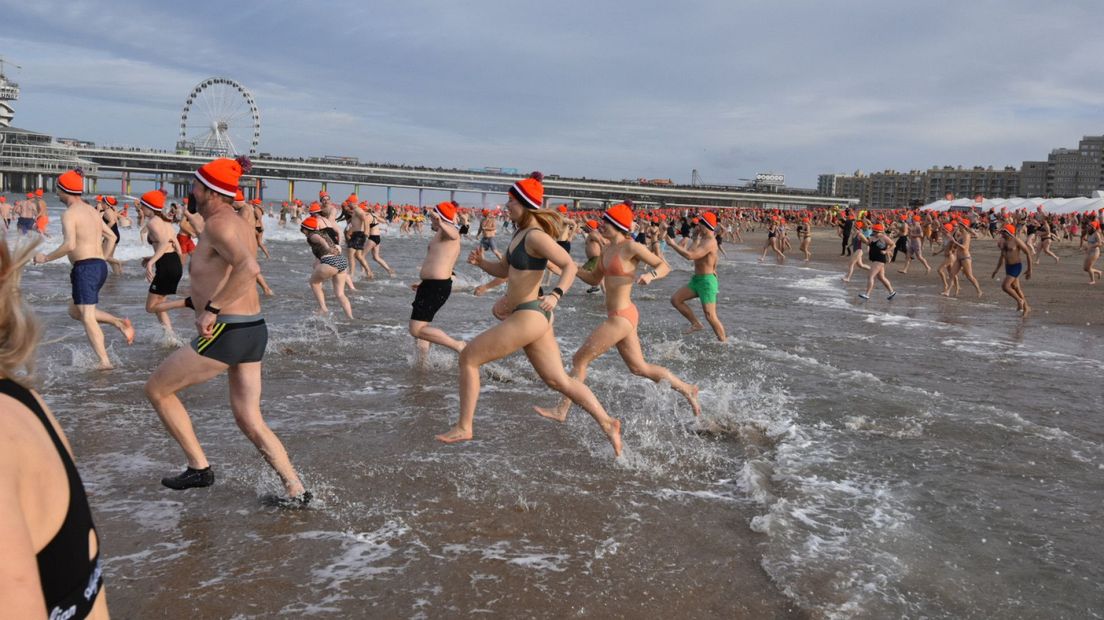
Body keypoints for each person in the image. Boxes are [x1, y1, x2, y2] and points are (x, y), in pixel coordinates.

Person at [144, 157, 310, 504]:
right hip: (252, 328)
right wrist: (193, 303)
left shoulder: (219, 225)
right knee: (250, 419)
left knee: (158, 389)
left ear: (208, 191)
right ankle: (296, 488)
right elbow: (225, 274)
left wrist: (212, 310)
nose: (191, 191)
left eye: (195, 185)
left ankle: (199, 467)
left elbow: (248, 268)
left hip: (228, 331)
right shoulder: (236, 221)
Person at [435, 172, 621, 456]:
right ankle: (608, 423)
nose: (506, 205)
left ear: (524, 204)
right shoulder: (519, 234)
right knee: (558, 380)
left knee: (469, 357)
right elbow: (505, 271)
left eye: (511, 200)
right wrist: (482, 263)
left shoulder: (536, 236)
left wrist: (556, 294)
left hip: (531, 314)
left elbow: (569, 265)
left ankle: (464, 426)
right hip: (529, 315)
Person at [0, 236, 110, 618]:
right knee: (83, 312)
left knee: (85, 312)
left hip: (87, 265)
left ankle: (105, 358)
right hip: (95, 265)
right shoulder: (21, 401)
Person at [534, 202, 700, 422]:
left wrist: (650, 276)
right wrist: (568, 270)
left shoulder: (631, 247)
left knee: (579, 360)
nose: (601, 225)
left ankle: (562, 410)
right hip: (620, 316)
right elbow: (594, 278)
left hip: (622, 316)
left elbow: (663, 266)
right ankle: (686, 388)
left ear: (618, 226)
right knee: (639, 368)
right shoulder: (606, 249)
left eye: (606, 222)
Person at [33, 170, 135, 370]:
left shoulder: (69, 214)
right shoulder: (91, 211)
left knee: (87, 316)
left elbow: (70, 245)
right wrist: (102, 259)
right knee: (74, 311)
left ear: (64, 190)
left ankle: (104, 362)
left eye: (58, 190)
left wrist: (45, 257)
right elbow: (112, 237)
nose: (57, 194)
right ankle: (118, 322)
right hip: (97, 267)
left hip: (86, 268)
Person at [409, 201, 465, 359]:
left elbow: (454, 233)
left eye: (433, 218)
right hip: (430, 285)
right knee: (422, 328)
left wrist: (441, 222)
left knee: (416, 329)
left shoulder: (449, 232)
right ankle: (422, 363)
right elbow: (437, 260)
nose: (430, 221)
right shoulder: (440, 233)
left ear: (439, 218)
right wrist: (423, 282)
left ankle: (458, 345)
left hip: (437, 286)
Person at [668, 212, 727, 342]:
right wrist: (695, 238)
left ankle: (724, 343)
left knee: (710, 315)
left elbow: (690, 256)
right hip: (697, 280)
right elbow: (690, 251)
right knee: (675, 300)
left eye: (699, 224)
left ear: (705, 225)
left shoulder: (710, 242)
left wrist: (673, 245)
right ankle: (696, 323)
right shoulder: (703, 239)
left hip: (706, 282)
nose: (697, 226)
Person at [139, 190, 184, 336]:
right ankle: (169, 336)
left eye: (142, 205)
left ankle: (186, 303)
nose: (140, 208)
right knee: (159, 306)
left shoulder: (153, 223)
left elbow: (164, 243)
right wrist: (155, 258)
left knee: (150, 307)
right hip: (173, 262)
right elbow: (176, 246)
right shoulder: (165, 221)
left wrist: (152, 262)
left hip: (166, 265)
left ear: (149, 207)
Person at [300, 215, 354, 318]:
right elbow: (334, 235)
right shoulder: (323, 232)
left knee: (314, 283)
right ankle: (350, 317)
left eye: (303, 229)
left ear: (306, 229)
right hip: (341, 261)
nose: (302, 231)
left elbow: (321, 241)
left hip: (330, 261)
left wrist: (327, 249)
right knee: (340, 294)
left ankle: (323, 308)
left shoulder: (312, 235)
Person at [991, 223, 1033, 315]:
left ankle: (1019, 301)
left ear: (1009, 233)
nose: (1001, 233)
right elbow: (1001, 257)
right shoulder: (1002, 242)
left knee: (1005, 286)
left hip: (1016, 266)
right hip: (1008, 267)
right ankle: (1026, 308)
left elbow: (1028, 253)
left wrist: (1030, 269)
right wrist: (996, 270)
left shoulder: (1016, 241)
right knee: (1016, 288)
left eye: (1004, 232)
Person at [855, 222, 897, 300]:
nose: (874, 233)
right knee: (881, 277)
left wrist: (886, 251)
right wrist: (861, 236)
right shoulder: (872, 237)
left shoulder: (884, 237)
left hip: (880, 259)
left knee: (870, 276)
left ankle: (867, 294)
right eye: (873, 231)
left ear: (880, 232)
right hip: (874, 259)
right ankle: (892, 292)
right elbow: (867, 243)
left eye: (875, 232)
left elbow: (893, 245)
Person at [943, 219, 983, 297]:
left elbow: (964, 247)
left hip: (965, 257)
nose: (958, 226)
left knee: (969, 276)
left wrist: (954, 241)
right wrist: (952, 248)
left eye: (960, 225)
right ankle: (948, 291)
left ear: (963, 226)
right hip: (958, 257)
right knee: (951, 274)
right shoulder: (960, 235)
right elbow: (956, 245)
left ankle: (979, 290)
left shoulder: (966, 235)